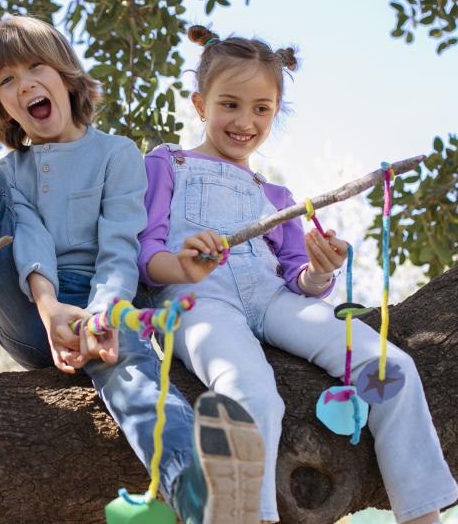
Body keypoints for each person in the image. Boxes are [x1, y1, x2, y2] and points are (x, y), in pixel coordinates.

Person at [0, 14, 266, 523]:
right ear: (0, 104)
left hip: (105, 298)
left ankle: (195, 487)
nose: (25, 85)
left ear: (64, 74)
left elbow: (119, 248)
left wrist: (102, 315)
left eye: (35, 67)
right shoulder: (7, 173)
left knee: (131, 368)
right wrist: (49, 309)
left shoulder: (117, 153)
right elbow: (30, 239)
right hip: (32, 310)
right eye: (7, 81)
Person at [138, 25, 458, 524]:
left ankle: (422, 513)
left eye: (261, 109)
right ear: (200, 105)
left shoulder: (277, 197)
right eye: (230, 104)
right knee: (248, 391)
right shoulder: (166, 164)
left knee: (390, 366)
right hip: (197, 300)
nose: (245, 121)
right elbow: (145, 254)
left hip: (272, 299)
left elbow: (300, 281)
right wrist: (182, 265)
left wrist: (320, 269)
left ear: (275, 112)